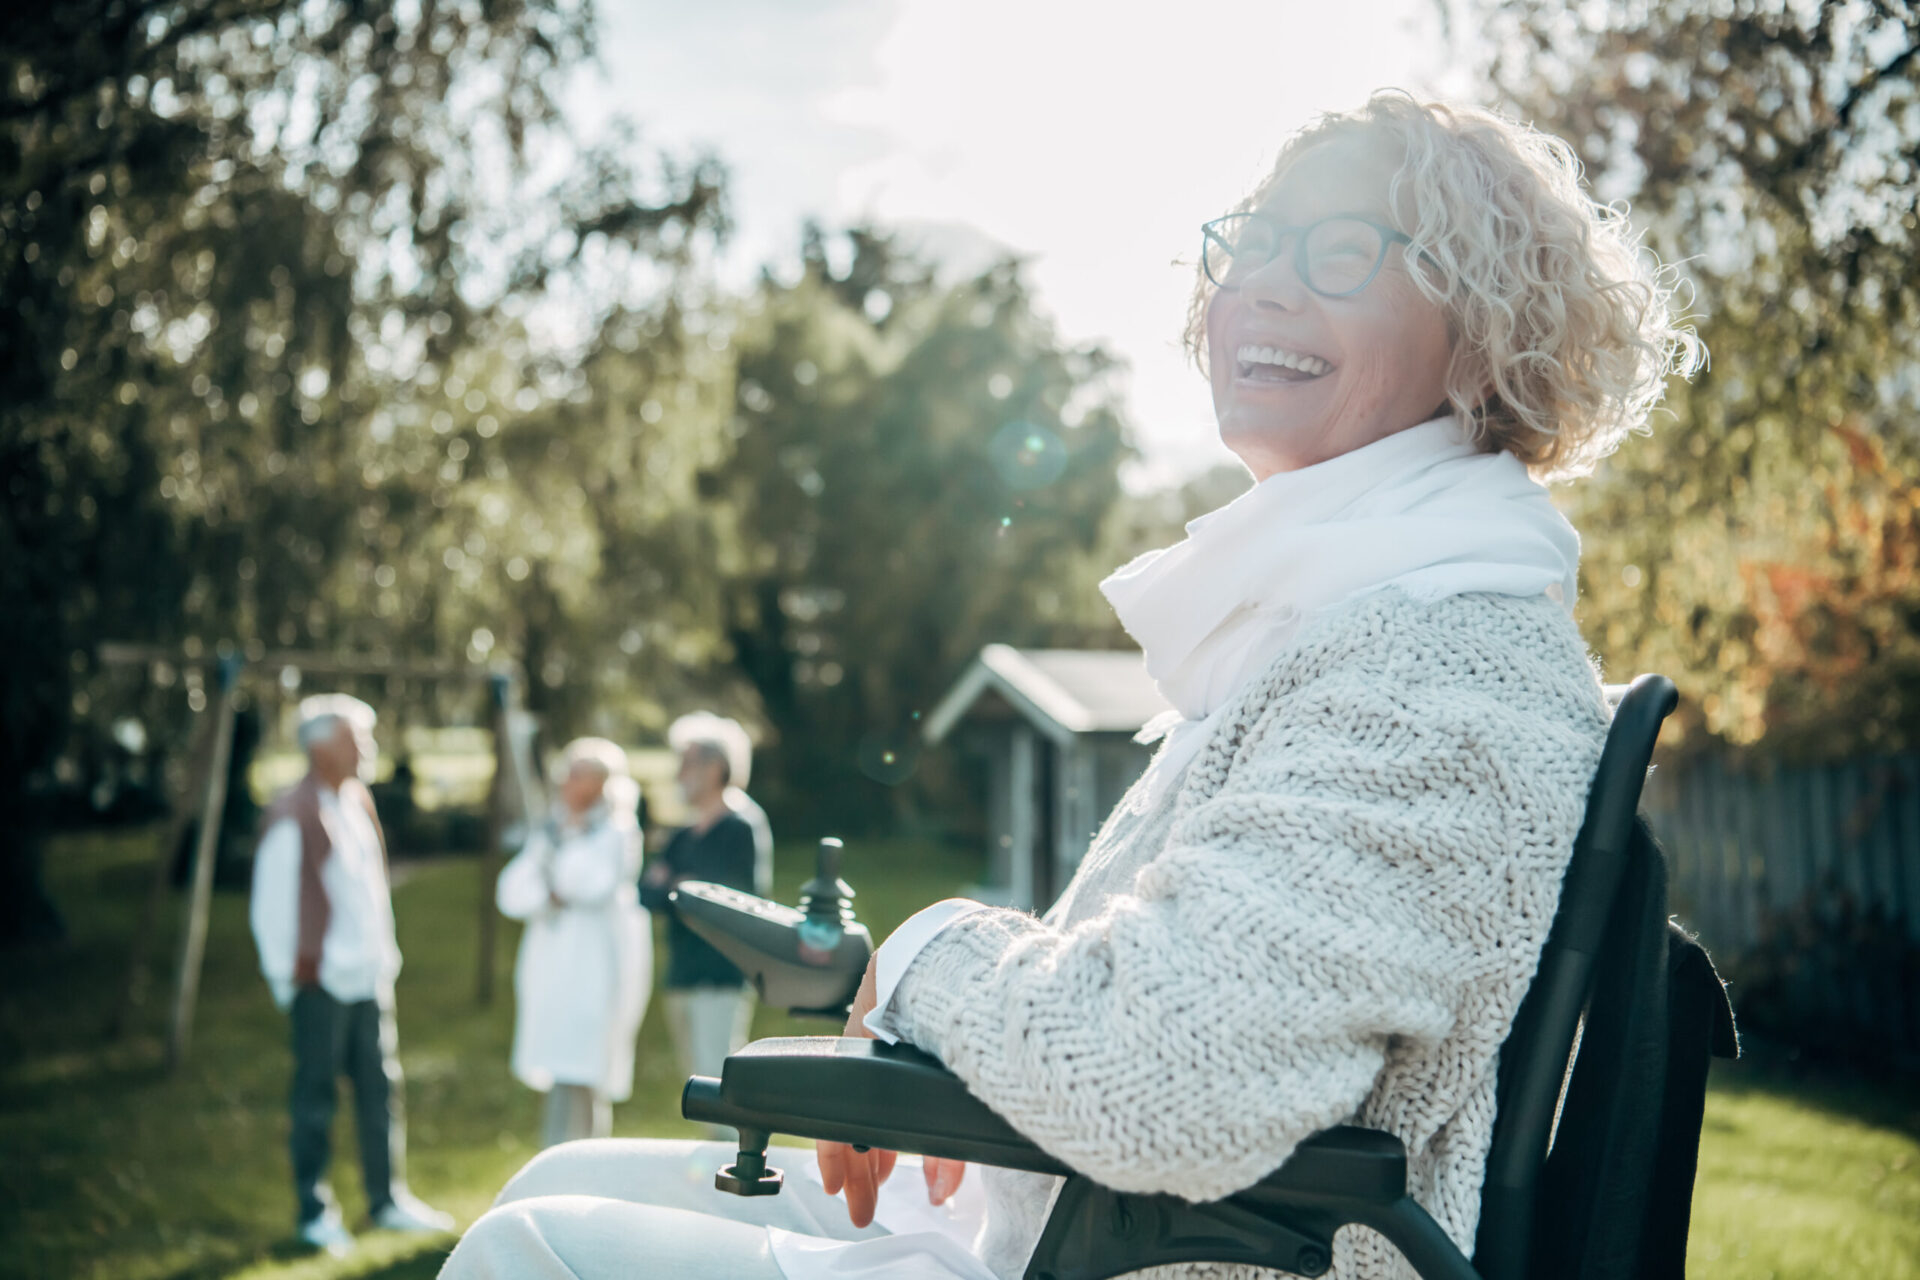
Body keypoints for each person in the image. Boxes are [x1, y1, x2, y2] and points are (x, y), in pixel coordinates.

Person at [439, 91, 1702, 1280]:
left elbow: (1172, 1069)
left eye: (1340, 249)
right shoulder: (1351, 620)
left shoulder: (1439, 666)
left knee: (531, 1252)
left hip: (1162, 1247)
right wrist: (945, 1058)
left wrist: (921, 957)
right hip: (1063, 1207)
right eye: (1250, 244)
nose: (1258, 282)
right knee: (558, 1168)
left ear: (1482, 334)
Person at [249, 694, 452, 1255]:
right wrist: (289, 982)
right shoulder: (292, 815)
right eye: (355, 739)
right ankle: (314, 1213)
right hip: (320, 982)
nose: (368, 748)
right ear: (319, 747)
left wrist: (384, 957)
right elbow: (271, 909)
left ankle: (387, 1200)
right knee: (315, 1096)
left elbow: (369, 891)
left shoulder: (356, 800)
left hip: (368, 978)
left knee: (380, 1090)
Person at [496, 738, 651, 1148]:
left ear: (604, 783)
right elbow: (511, 891)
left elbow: (589, 883)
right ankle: (557, 1154)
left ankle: (585, 1155)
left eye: (581, 773)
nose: (569, 781)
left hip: (596, 963)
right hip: (551, 964)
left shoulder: (616, 831)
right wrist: (549, 888)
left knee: (588, 1061)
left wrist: (551, 881)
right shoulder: (552, 829)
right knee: (559, 1061)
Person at [638, 712, 772, 1133]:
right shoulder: (682, 834)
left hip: (720, 973)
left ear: (715, 768)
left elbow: (725, 898)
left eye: (687, 761)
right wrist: (682, 886)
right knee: (696, 1086)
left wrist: (677, 885)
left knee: (719, 1086)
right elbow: (649, 894)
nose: (678, 772)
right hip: (682, 973)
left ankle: (735, 1175)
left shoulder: (741, 826)